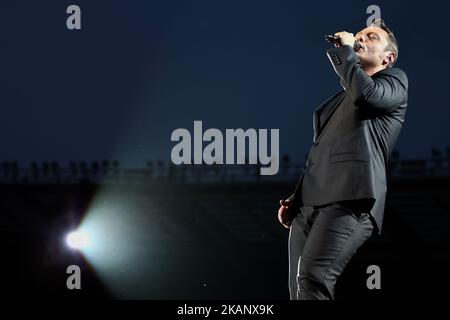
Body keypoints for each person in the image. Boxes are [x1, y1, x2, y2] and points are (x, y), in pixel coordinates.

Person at [277, 19, 408, 300]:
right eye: (359, 35)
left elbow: (366, 95)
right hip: (310, 204)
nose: (361, 38)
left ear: (389, 57)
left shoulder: (394, 82)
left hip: (351, 198)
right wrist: (296, 198)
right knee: (296, 290)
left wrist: (347, 51)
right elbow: (320, 151)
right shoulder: (336, 102)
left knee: (313, 278)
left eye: (371, 36)